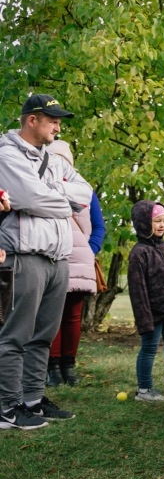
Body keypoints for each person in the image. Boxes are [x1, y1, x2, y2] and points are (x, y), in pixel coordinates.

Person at [0, 94, 91, 430]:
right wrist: (63, 201)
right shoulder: (7, 154)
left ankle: (32, 400)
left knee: (43, 335)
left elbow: (85, 193)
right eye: (52, 120)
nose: (58, 126)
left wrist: (52, 197)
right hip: (24, 256)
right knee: (15, 335)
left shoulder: (54, 159)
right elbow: (29, 197)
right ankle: (8, 408)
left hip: (57, 258)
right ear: (32, 120)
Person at [45, 140, 105, 387]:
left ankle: (66, 365)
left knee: (70, 315)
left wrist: (89, 251)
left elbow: (99, 227)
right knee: (55, 315)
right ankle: (54, 367)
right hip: (54, 259)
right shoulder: (43, 188)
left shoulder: (84, 191)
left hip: (77, 262)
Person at [127, 201, 164, 402]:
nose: (162, 225)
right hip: (151, 312)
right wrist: (144, 318)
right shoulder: (139, 253)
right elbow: (137, 289)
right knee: (150, 347)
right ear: (143, 223)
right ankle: (144, 389)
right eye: (157, 221)